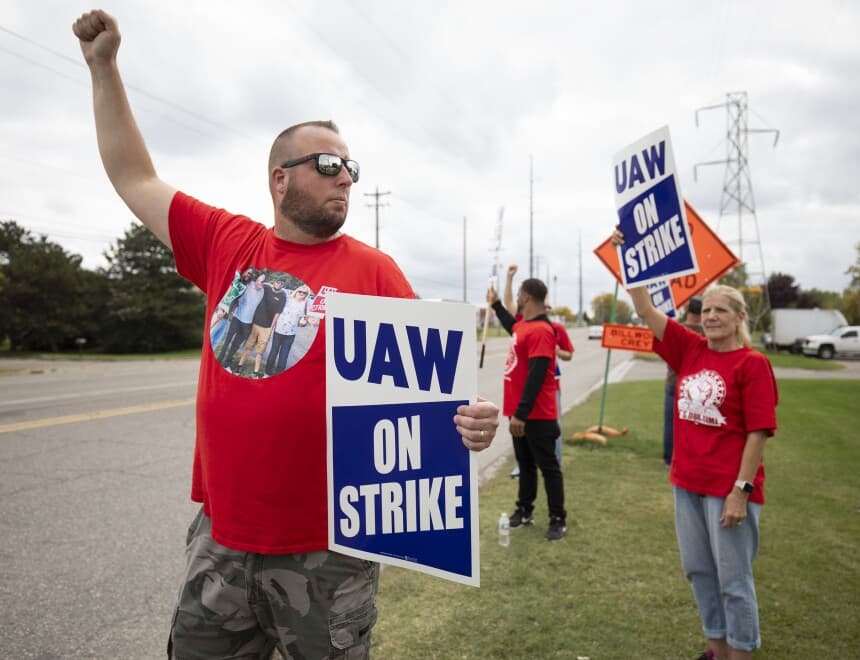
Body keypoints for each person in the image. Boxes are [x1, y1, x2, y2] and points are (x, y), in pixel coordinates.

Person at [73, 10, 500, 659]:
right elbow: (134, 177)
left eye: (352, 168)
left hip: (330, 553)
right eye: (329, 163)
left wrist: (466, 426)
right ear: (280, 178)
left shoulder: (376, 272)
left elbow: (426, 404)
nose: (345, 178)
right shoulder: (226, 243)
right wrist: (103, 69)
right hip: (223, 542)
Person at [614, 230, 777, 660]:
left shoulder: (752, 363)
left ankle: (741, 653)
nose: (711, 317)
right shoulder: (690, 349)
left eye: (721, 310)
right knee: (700, 572)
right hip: (686, 483)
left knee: (733, 581)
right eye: (705, 310)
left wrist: (740, 492)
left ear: (740, 316)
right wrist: (628, 254)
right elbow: (645, 307)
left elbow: (758, 432)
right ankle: (716, 650)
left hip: (728, 490)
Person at [488, 277, 567, 541]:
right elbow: (512, 326)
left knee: (549, 467)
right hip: (519, 411)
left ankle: (558, 518)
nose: (518, 298)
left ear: (527, 297)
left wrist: (521, 413)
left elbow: (537, 374)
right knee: (524, 463)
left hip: (537, 414)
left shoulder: (542, 331)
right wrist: (496, 303)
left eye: (519, 294)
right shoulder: (524, 325)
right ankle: (525, 509)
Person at [502, 264, 574, 472]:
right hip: (527, 390)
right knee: (525, 445)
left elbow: (568, 354)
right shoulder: (525, 325)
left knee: (551, 430)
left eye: (549, 308)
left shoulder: (553, 329)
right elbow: (508, 305)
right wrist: (508, 279)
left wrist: (556, 351)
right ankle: (523, 466)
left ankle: (554, 459)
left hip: (550, 386)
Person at [663, 296, 703, 465]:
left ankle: (668, 458)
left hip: (674, 381)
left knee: (670, 423)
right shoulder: (706, 333)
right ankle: (691, 457)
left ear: (687, 310)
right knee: (696, 425)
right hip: (697, 385)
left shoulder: (677, 330)